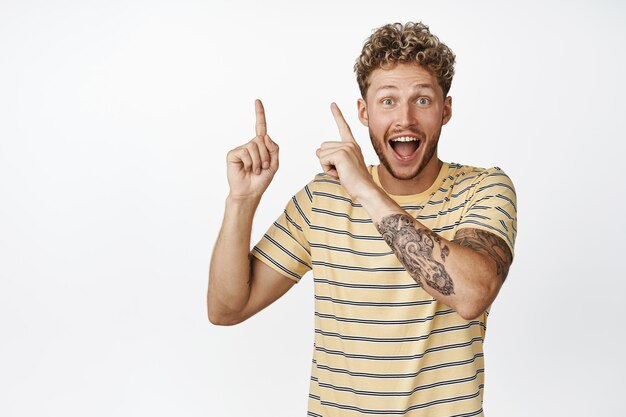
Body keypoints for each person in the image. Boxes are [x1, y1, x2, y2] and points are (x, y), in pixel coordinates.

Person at [208, 21, 517, 417]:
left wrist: (366, 190)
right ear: (363, 112)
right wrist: (242, 201)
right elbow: (226, 309)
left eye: (422, 100)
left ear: (446, 110)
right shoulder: (323, 199)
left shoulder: (484, 188)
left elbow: (472, 294)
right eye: (387, 101)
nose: (404, 119)